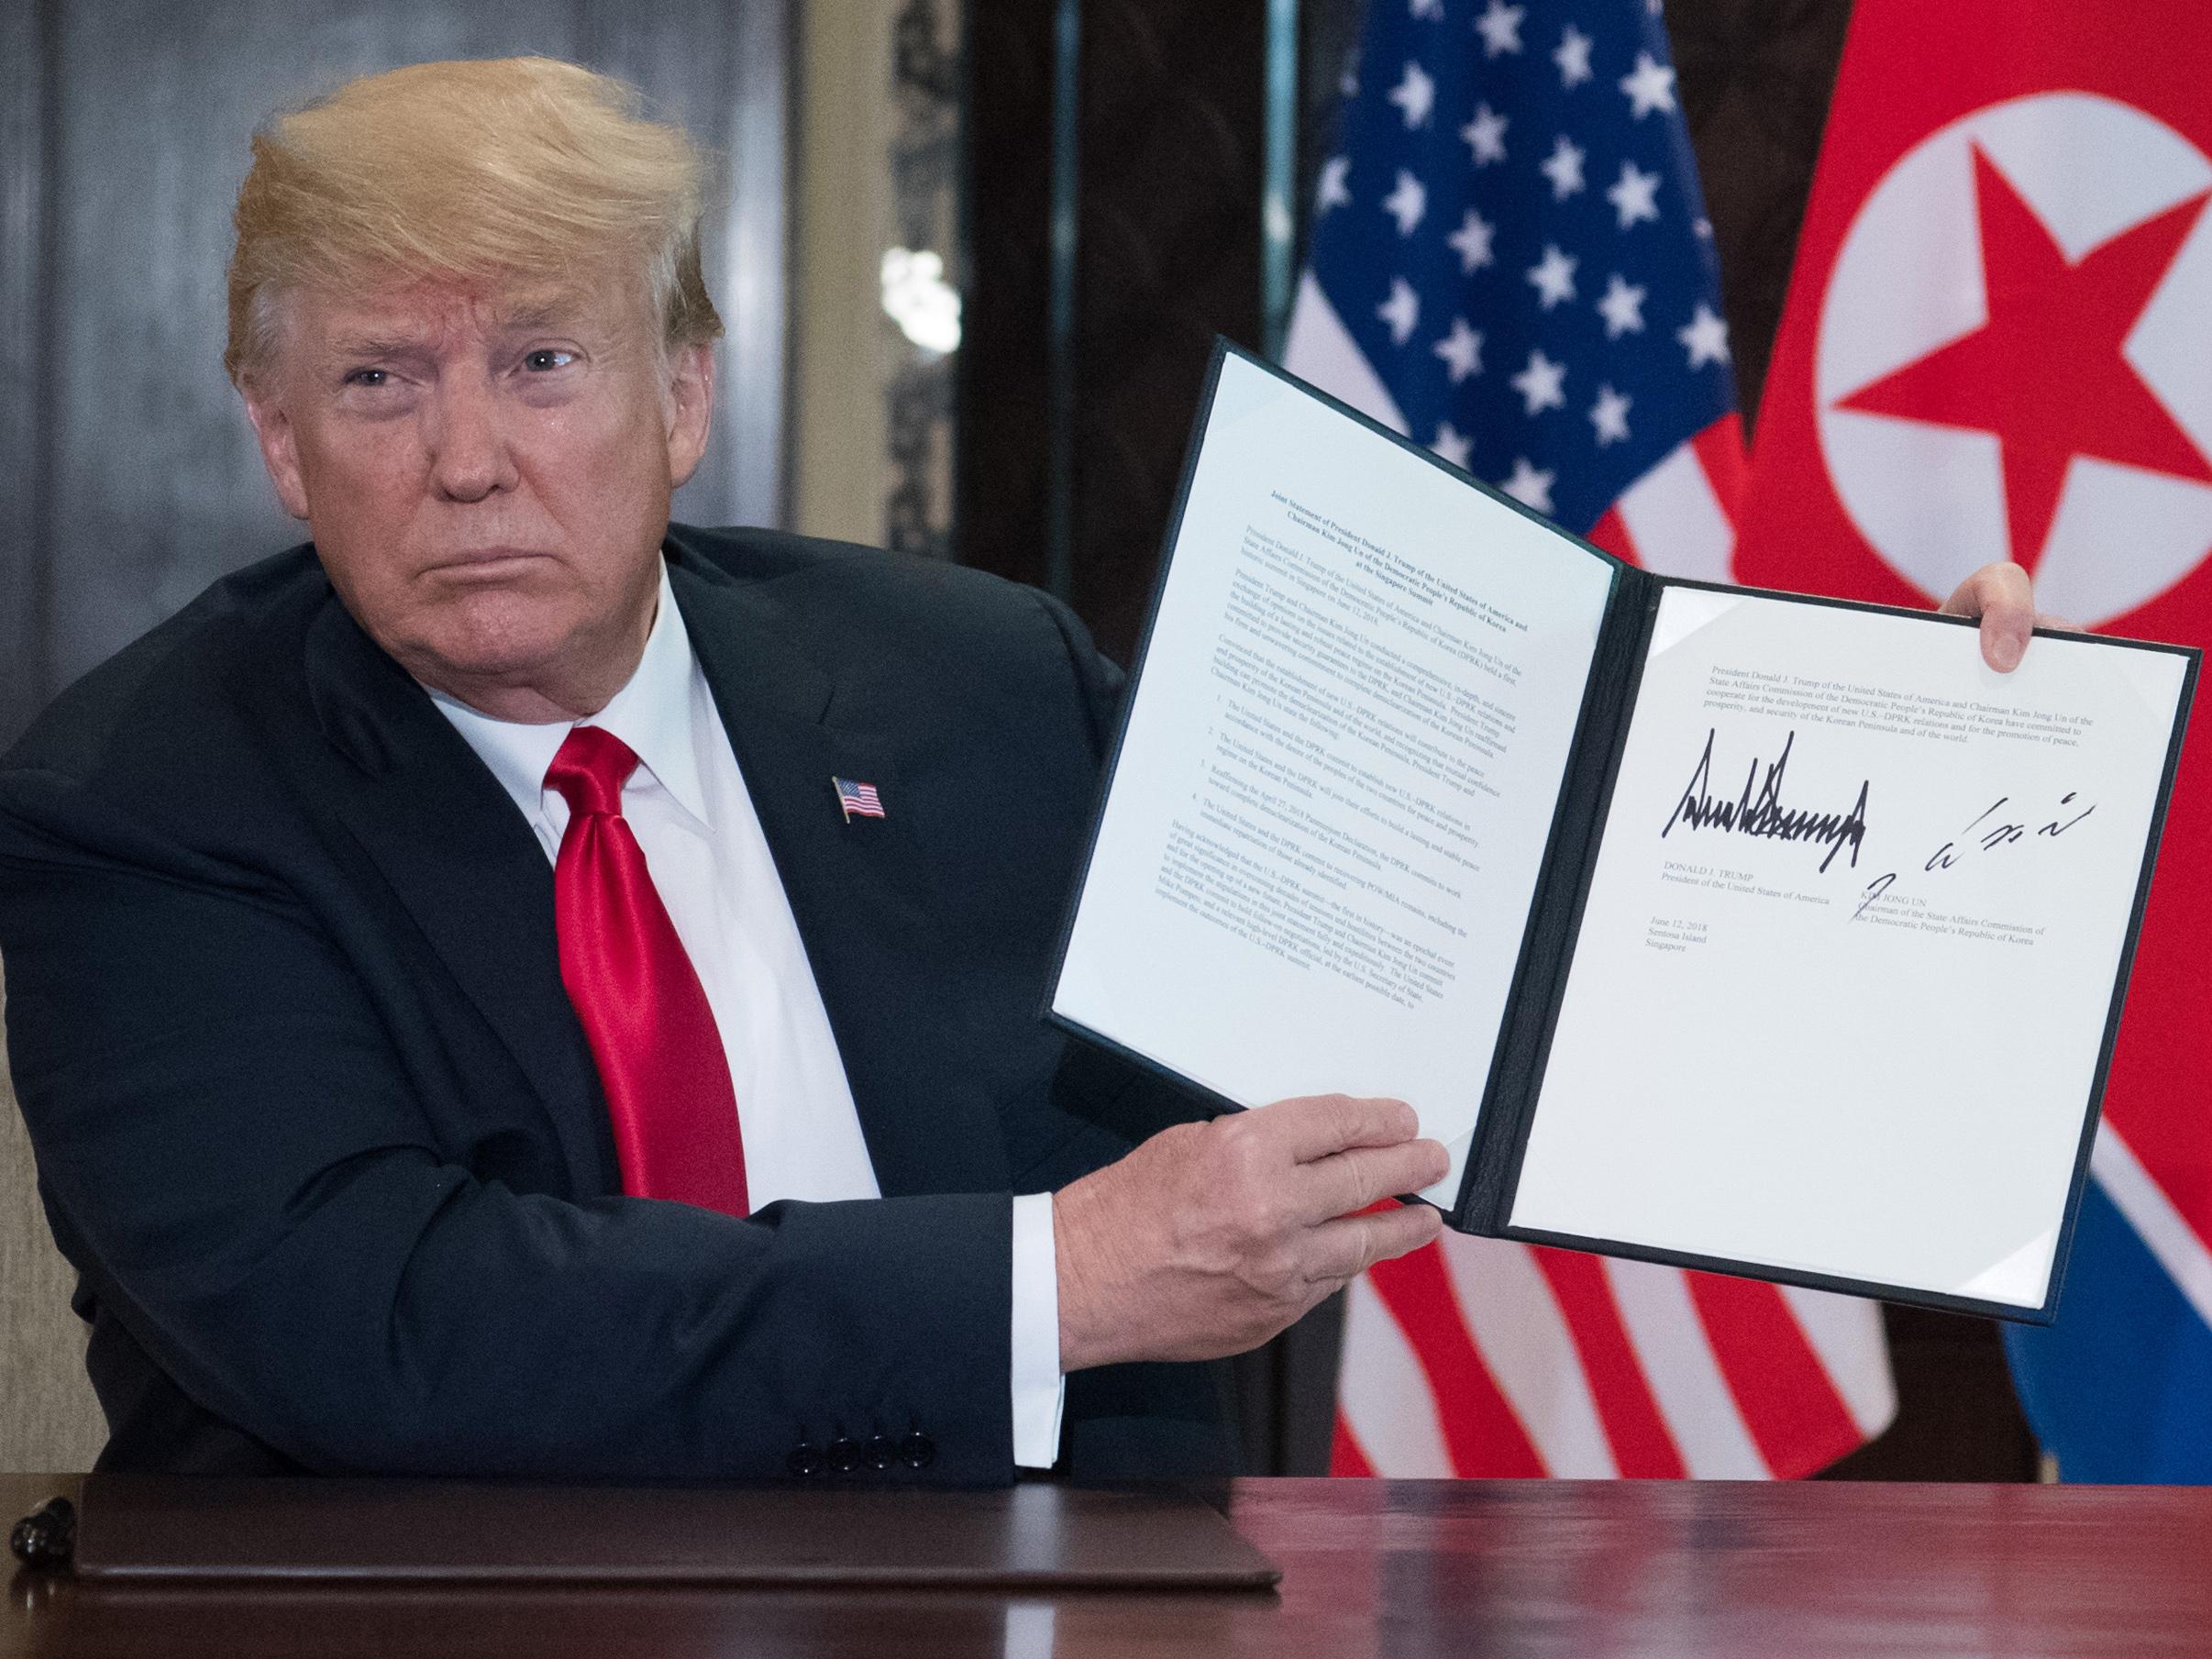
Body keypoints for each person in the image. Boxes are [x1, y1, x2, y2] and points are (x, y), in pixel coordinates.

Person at [0, 58, 2042, 1484]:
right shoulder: (148, 800)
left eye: (543, 359)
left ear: (686, 393)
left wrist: (1866, 747)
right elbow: (401, 1321)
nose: (467, 456)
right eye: (378, 380)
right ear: (278, 440)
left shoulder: (970, 679)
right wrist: (1050, 1279)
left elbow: (1472, 925)